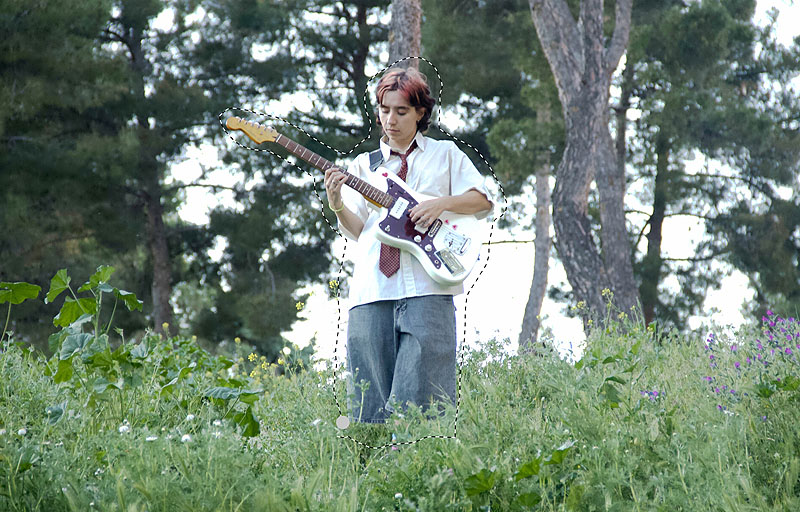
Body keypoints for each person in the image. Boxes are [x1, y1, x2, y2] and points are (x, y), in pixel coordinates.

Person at [324, 67, 494, 424]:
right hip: (372, 289)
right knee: (368, 402)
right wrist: (337, 203)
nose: (391, 120)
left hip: (429, 286)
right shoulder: (362, 166)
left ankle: (418, 469)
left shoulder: (445, 155)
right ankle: (369, 470)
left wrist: (441, 203)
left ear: (420, 112)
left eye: (401, 111)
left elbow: (483, 201)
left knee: (426, 399)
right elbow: (357, 231)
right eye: (385, 110)